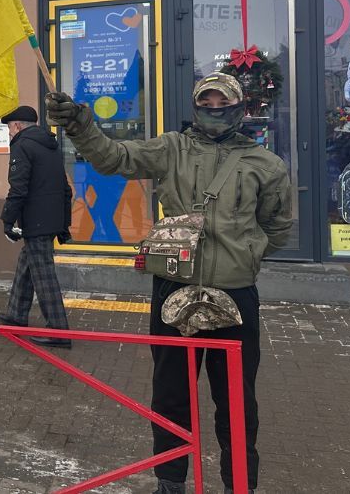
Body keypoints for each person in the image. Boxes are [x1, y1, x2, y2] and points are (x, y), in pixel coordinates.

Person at [46, 72, 292, 494]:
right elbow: (113, 158)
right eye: (207, 103)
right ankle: (171, 481)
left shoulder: (265, 164)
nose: (215, 110)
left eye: (223, 103)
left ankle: (239, 485)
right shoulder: (171, 149)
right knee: (171, 395)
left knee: (236, 401)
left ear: (239, 107)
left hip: (235, 297)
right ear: (196, 106)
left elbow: (278, 229)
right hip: (173, 291)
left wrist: (239, 257)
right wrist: (80, 124)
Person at [0, 105, 73, 348]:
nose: (9, 133)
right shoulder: (50, 145)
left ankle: (59, 331)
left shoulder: (22, 145)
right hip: (50, 219)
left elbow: (18, 188)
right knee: (26, 266)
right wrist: (63, 223)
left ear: (17, 126)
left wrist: (7, 220)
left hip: (37, 221)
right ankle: (16, 314)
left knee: (44, 275)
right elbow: (65, 188)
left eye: (9, 128)